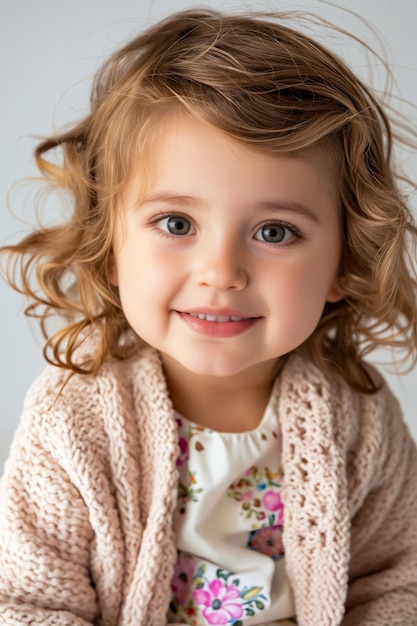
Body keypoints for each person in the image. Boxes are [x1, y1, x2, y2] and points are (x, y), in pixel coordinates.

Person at [0, 7, 416, 626]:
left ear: (342, 260)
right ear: (108, 245)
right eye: (176, 224)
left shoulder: (359, 417)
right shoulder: (73, 420)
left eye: (275, 231)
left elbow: (394, 584)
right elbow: (31, 603)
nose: (221, 272)